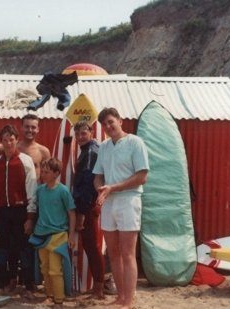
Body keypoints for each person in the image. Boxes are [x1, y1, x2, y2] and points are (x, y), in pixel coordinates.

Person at [93, 107, 149, 309]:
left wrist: (113, 187)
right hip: (109, 202)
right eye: (104, 124)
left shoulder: (136, 142)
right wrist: (100, 189)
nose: (108, 127)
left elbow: (142, 176)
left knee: (127, 253)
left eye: (110, 122)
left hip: (129, 200)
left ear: (120, 120)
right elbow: (98, 175)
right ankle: (120, 296)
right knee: (113, 253)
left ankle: (129, 300)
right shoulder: (104, 147)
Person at [0, 125, 37, 298]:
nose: (8, 143)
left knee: (24, 249)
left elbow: (32, 191)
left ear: (16, 140)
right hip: (2, 212)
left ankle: (28, 287)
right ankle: (2, 284)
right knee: (3, 250)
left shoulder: (25, 160)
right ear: (1, 142)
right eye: (5, 140)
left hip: (21, 211)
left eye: (11, 139)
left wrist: (30, 217)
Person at [32, 158, 76, 309]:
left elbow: (72, 214)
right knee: (44, 267)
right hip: (41, 235)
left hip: (58, 235)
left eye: (47, 172)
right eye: (42, 171)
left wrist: (70, 236)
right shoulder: (39, 190)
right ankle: (49, 296)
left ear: (56, 173)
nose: (43, 174)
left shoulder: (63, 190)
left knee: (55, 270)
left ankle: (59, 299)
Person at [72, 120, 105, 298]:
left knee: (92, 246)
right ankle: (99, 285)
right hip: (87, 205)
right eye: (77, 134)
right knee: (90, 245)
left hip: (88, 206)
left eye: (83, 133)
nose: (80, 137)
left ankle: (99, 288)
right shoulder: (86, 150)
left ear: (91, 133)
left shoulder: (91, 152)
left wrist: (82, 213)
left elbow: (87, 184)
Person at [17, 114, 51, 181]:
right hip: (16, 190)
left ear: (38, 129)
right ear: (21, 128)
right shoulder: (14, 149)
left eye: (33, 127)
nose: (30, 130)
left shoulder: (43, 151)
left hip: (35, 190)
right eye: (27, 127)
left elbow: (48, 176)